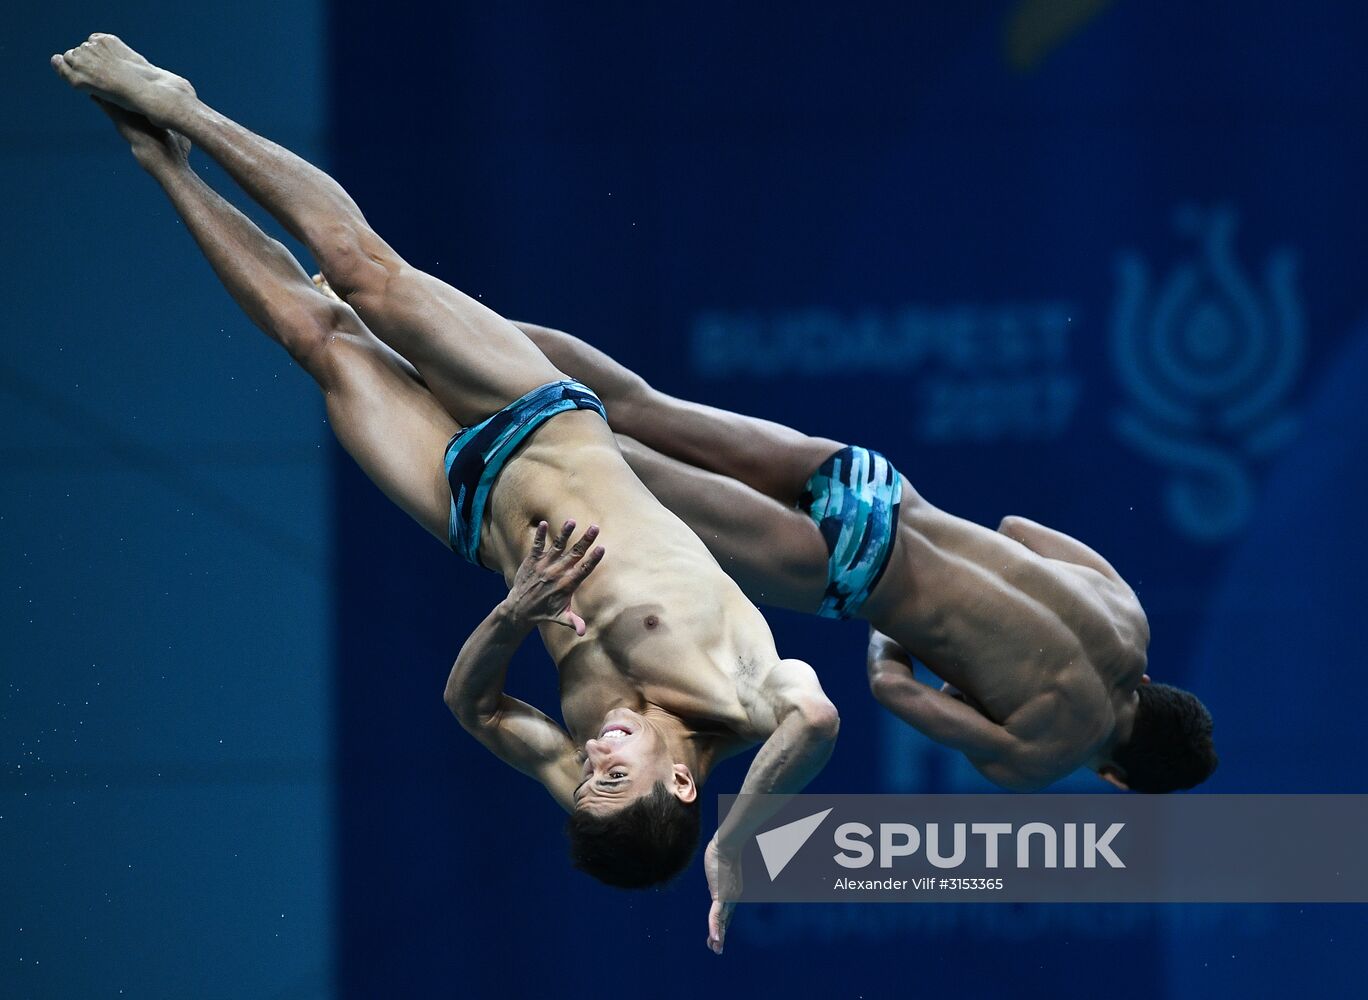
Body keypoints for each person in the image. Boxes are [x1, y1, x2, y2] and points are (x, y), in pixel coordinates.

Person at [51, 34, 839, 951]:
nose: (595, 757)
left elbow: (478, 710)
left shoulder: (579, 761)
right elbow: (817, 718)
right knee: (361, 274)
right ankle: (181, 103)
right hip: (542, 421)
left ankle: (162, 161)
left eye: (588, 776)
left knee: (319, 342)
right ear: (681, 783)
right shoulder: (746, 697)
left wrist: (515, 616)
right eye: (613, 772)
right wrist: (738, 842)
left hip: (466, 508)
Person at [515, 321, 1218, 794]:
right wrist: (900, 628)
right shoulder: (1044, 754)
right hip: (852, 569)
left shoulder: (1126, 612)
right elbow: (894, 690)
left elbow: (1015, 527)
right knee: (613, 464)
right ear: (1119, 781)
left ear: (1156, 685)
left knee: (640, 405)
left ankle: (452, 318)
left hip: (881, 487)